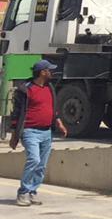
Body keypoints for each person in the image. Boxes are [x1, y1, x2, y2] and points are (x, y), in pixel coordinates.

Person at [7, 58, 68, 207]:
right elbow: (16, 113)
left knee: (42, 165)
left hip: (46, 132)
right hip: (30, 132)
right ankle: (23, 193)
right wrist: (14, 135)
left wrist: (59, 122)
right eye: (49, 70)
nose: (52, 72)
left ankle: (32, 192)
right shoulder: (25, 89)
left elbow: (53, 107)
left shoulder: (49, 87)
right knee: (34, 159)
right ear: (42, 72)